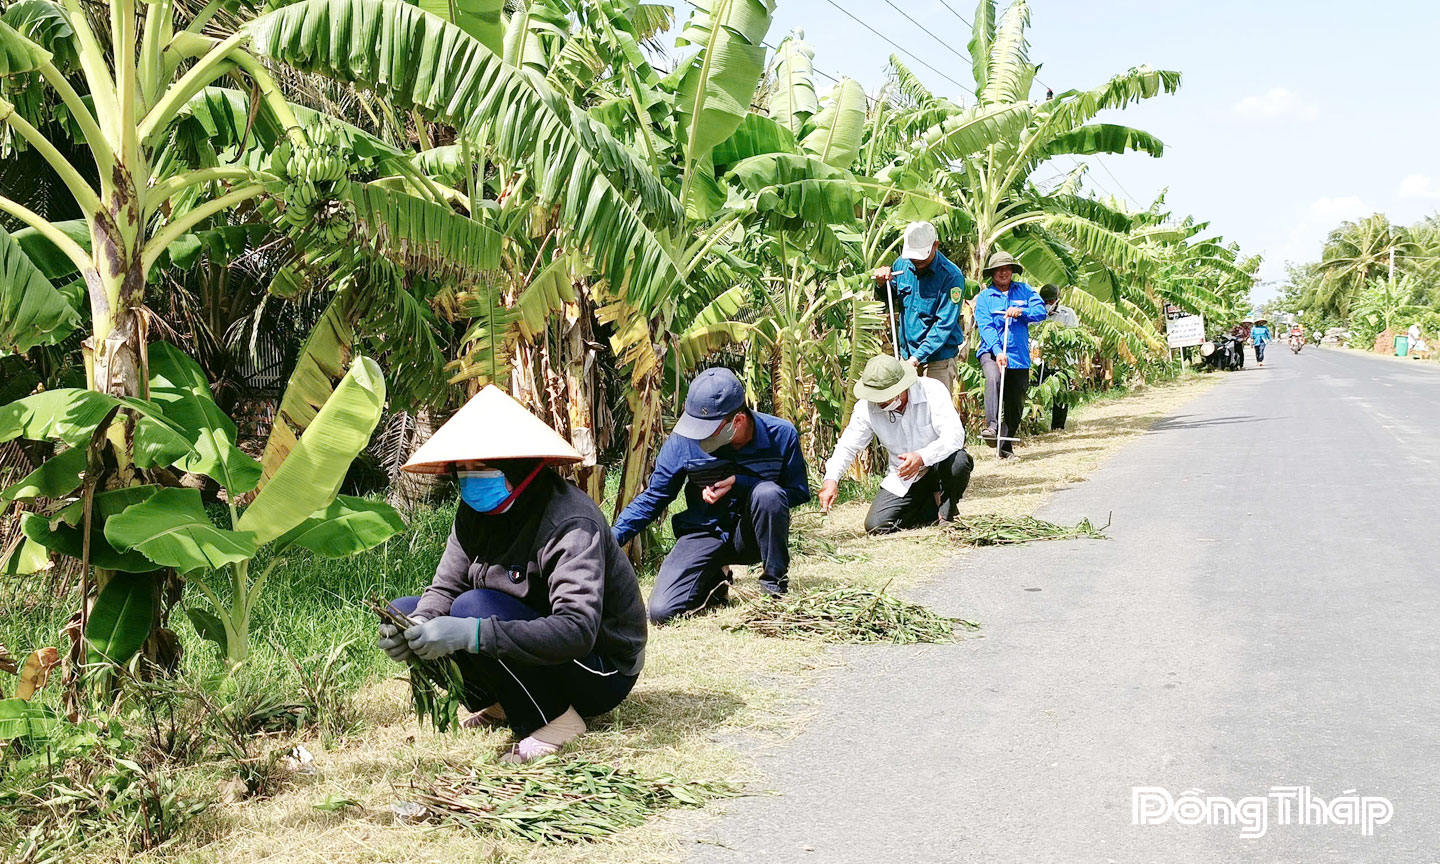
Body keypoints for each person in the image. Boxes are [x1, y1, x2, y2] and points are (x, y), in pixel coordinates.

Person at [378, 385, 647, 763]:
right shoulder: (473, 514)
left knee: (472, 610)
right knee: (405, 611)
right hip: (533, 644)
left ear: (517, 466)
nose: (470, 479)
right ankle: (508, 701)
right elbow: (445, 587)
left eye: (482, 468)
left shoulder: (569, 521)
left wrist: (471, 633)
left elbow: (577, 629)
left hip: (601, 668)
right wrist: (416, 625)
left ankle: (558, 720)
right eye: (463, 470)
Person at [613, 367, 810, 623]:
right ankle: (716, 579)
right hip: (704, 531)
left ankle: (774, 588)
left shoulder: (781, 435)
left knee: (768, 494)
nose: (698, 435)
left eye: (707, 428)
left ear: (737, 421)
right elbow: (655, 497)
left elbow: (796, 493)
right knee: (662, 612)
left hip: (751, 536)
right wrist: (611, 538)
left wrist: (742, 484)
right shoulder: (683, 439)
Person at [818, 354, 973, 534]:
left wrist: (921, 457)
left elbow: (954, 436)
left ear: (901, 387)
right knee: (876, 526)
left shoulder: (932, 390)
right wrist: (831, 479)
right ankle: (932, 507)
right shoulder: (865, 408)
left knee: (959, 461)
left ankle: (946, 510)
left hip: (939, 465)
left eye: (883, 397)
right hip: (905, 475)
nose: (878, 402)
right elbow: (848, 446)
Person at [871, 220, 968, 393]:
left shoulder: (951, 276)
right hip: (907, 354)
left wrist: (917, 357)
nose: (916, 260)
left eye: (921, 255)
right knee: (906, 405)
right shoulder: (901, 265)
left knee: (935, 406)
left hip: (938, 359)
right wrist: (881, 283)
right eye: (913, 255)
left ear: (935, 245)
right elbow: (890, 296)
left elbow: (943, 325)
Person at [973, 251, 1048, 458]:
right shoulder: (985, 297)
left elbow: (1040, 311)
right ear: (992, 273)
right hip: (991, 351)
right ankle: (992, 426)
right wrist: (998, 352)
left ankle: (1005, 447)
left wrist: (1022, 312)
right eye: (999, 269)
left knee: (1016, 401)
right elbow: (986, 327)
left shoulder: (1024, 290)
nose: (1003, 272)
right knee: (994, 378)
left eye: (1007, 268)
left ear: (1012, 271)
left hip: (1018, 355)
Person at [1038, 283, 1080, 430]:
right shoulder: (1036, 314)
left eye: (1051, 301)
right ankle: (1036, 423)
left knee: (1061, 394)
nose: (1048, 304)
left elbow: (1072, 338)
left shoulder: (1068, 314)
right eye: (1045, 301)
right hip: (1040, 360)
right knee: (1037, 390)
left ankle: (1058, 426)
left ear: (1057, 300)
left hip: (1062, 361)